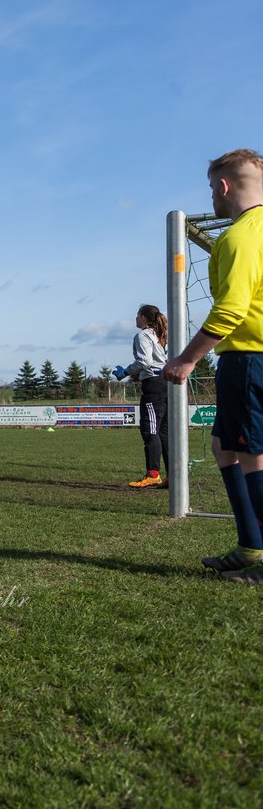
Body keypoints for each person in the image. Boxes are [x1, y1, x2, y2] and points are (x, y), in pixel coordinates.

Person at [164, 148, 263, 583]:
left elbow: (230, 311)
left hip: (248, 358)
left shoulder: (239, 236)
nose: (212, 198)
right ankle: (249, 544)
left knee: (251, 455)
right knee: (224, 445)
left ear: (224, 186)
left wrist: (187, 360)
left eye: (211, 188)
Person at [114, 305, 168, 488]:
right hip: (167, 384)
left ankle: (153, 475)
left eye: (137, 315)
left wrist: (126, 372)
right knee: (164, 432)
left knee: (150, 429)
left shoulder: (143, 335)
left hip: (154, 385)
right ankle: (173, 476)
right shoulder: (161, 333)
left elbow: (145, 361)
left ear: (144, 318)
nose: (135, 318)